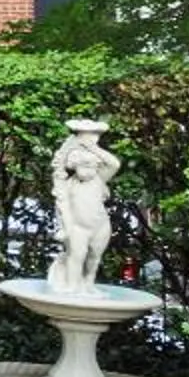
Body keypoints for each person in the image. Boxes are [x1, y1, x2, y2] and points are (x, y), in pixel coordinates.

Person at [48, 120, 120, 296]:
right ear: (75, 166)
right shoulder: (68, 185)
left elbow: (114, 164)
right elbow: (61, 205)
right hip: (78, 228)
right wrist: (65, 227)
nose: (89, 171)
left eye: (93, 166)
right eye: (84, 166)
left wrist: (93, 148)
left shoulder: (99, 179)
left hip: (100, 225)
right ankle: (73, 286)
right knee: (77, 257)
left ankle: (88, 284)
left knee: (94, 258)